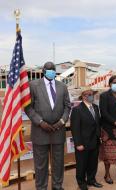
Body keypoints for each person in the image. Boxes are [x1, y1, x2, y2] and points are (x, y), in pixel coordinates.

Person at [25, 62, 71, 190]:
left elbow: (68, 106)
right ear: (43, 71)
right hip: (40, 131)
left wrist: (61, 122)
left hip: (58, 130)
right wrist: (40, 122)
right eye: (48, 69)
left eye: (53, 69)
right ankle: (41, 187)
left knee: (58, 162)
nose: (51, 71)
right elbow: (28, 107)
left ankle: (57, 186)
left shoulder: (62, 86)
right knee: (40, 164)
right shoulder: (33, 85)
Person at [70, 88, 103, 190]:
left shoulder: (96, 107)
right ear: (83, 96)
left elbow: (98, 123)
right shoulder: (77, 110)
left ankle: (91, 180)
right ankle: (81, 183)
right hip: (83, 143)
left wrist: (100, 136)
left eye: (92, 94)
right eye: (88, 94)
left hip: (95, 141)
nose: (91, 96)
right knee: (82, 164)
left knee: (93, 163)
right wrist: (78, 143)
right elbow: (75, 128)